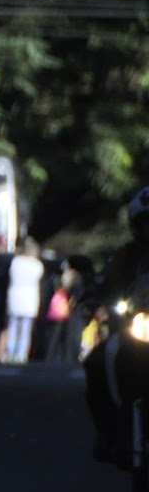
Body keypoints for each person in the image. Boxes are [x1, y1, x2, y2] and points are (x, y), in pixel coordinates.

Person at [82, 186, 149, 466]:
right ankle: (107, 432)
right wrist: (93, 296)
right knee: (96, 363)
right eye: (146, 223)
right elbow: (105, 281)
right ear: (136, 226)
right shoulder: (125, 256)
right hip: (131, 328)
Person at [3, 237, 44, 365]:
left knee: (13, 326)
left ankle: (10, 352)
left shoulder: (15, 262)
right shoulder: (37, 265)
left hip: (15, 297)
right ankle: (21, 355)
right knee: (26, 329)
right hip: (30, 299)